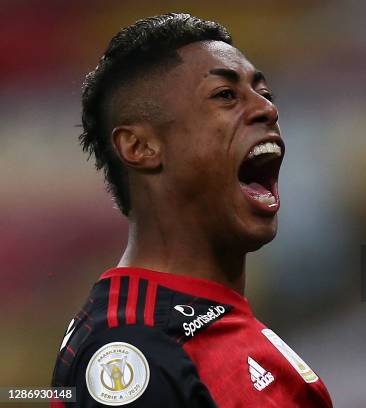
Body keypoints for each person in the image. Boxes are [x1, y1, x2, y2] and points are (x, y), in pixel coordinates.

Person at [50, 13, 332, 407]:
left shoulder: (216, 326)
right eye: (225, 95)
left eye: (264, 92)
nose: (267, 109)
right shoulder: (132, 349)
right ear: (140, 147)